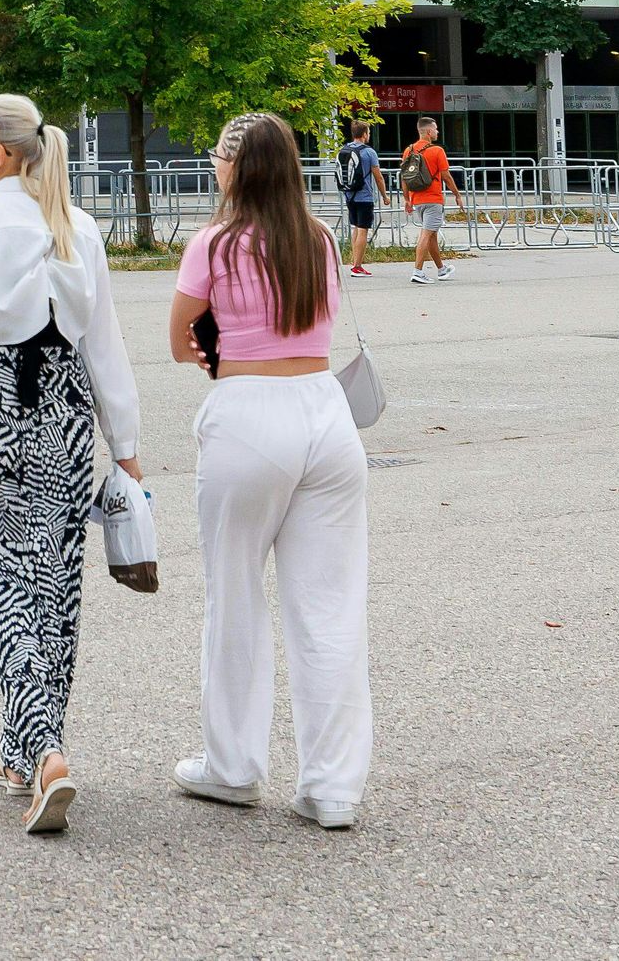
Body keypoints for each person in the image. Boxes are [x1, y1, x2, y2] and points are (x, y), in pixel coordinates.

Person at [0, 92, 142, 838]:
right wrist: (128, 449)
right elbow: (105, 346)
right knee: (52, 583)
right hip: (68, 415)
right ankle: (23, 753)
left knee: (2, 582)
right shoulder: (77, 225)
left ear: (3, 153)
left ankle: (45, 751)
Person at [167, 114, 371, 829]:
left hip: (248, 416)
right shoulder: (316, 239)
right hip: (326, 412)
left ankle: (232, 766)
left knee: (235, 595)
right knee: (329, 605)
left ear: (236, 167)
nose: (214, 167)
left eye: (218, 157)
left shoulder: (214, 243)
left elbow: (179, 339)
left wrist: (217, 347)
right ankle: (332, 787)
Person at [398, 116, 458, 283]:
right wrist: (457, 194)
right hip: (433, 199)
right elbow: (446, 176)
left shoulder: (408, 150)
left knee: (431, 235)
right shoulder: (437, 151)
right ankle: (417, 271)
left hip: (417, 199)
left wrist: (407, 199)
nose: (438, 131)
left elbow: (404, 177)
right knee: (426, 235)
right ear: (429, 131)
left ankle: (441, 269)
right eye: (436, 129)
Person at [335, 119, 382, 278]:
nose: (369, 135)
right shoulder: (369, 152)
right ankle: (357, 266)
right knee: (363, 229)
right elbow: (378, 176)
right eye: (368, 132)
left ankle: (355, 262)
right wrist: (385, 195)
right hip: (365, 196)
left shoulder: (343, 149)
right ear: (364, 134)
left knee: (356, 227)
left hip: (349, 195)